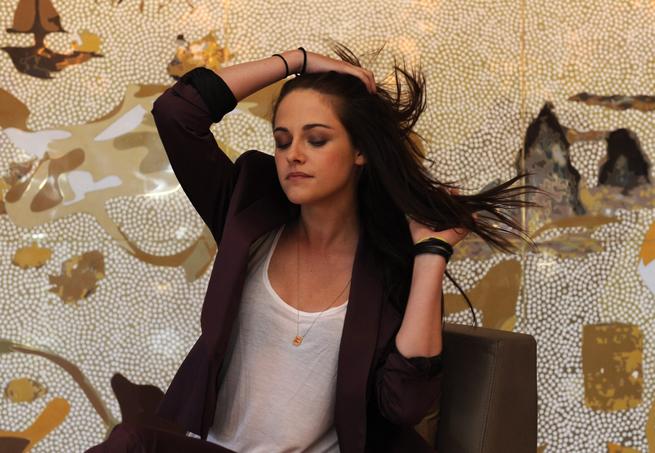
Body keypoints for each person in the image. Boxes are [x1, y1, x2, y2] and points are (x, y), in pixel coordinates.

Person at [87, 42, 543, 452]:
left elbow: (404, 403)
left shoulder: (390, 265)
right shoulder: (247, 214)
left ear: (360, 151)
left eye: (317, 139)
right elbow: (177, 113)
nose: (294, 155)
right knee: (131, 443)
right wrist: (296, 61)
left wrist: (431, 257)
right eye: (282, 141)